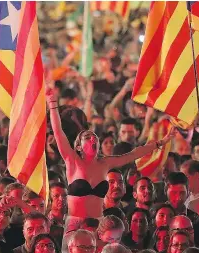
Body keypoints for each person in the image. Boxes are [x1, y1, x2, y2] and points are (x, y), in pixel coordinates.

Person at [47, 85, 174, 226]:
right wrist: (52, 103)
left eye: (95, 138)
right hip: (74, 226)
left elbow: (133, 154)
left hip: (98, 225)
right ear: (78, 146)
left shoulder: (105, 163)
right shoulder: (72, 160)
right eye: (88, 137)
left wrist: (160, 143)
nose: (93, 139)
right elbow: (58, 131)